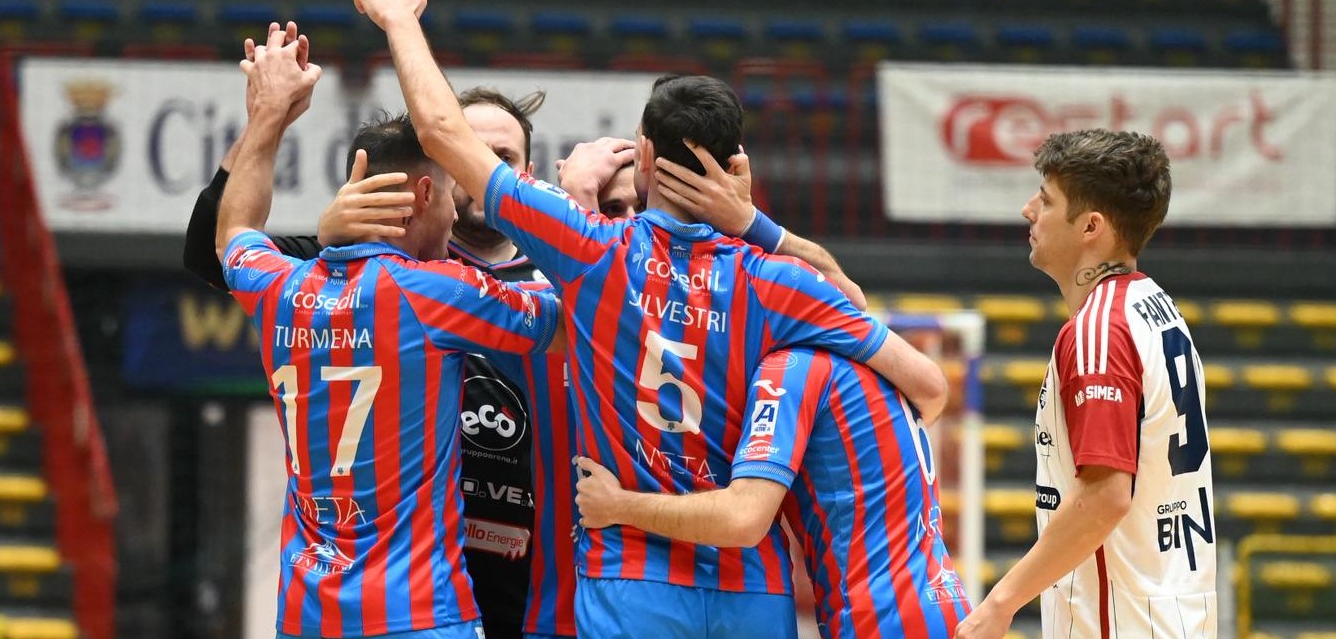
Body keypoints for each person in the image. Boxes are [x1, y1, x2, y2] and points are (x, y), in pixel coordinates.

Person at [356, 1, 950, 636]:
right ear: (735, 165)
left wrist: (401, 22)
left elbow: (443, 133)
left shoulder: (594, 252)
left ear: (643, 153)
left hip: (631, 576)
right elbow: (925, 383)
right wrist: (754, 224)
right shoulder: (777, 280)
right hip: (751, 586)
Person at [218, 29, 561, 639]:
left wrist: (268, 114)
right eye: (449, 194)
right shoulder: (437, 292)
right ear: (425, 193)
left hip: (307, 615)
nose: (455, 212)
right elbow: (574, 321)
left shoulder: (279, 284)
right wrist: (576, 204)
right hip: (418, 612)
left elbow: (232, 234)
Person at [954, 130, 1217, 639]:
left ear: (1091, 226)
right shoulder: (1156, 307)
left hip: (1122, 624)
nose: (1029, 210)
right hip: (1175, 615)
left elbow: (1105, 498)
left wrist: (999, 605)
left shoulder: (1101, 329)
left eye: (1046, 200)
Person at [574, 346, 973, 638]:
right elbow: (936, 392)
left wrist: (619, 505)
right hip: (944, 600)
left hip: (884, 618)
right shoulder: (875, 366)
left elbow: (743, 519)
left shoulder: (792, 367)